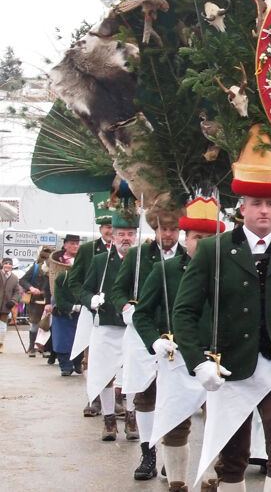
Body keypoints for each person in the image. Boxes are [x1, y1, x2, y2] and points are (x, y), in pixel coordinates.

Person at [173, 127, 271, 492]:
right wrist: (197, 360)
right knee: (232, 455)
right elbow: (184, 311)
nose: (264, 211)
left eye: (270, 204)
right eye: (256, 204)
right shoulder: (212, 250)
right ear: (242, 208)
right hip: (230, 363)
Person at [134, 196, 224, 492]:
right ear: (186, 239)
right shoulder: (168, 270)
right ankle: (177, 484)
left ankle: (210, 481)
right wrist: (154, 341)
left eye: (211, 238)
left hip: (218, 360)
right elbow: (143, 313)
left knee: (218, 423)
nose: (203, 243)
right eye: (198, 237)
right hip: (177, 358)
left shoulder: (230, 272)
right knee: (175, 425)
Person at [110, 205, 182, 480]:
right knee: (144, 394)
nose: (168, 234)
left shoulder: (187, 257)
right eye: (164, 228)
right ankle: (148, 453)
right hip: (142, 332)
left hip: (174, 334)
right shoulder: (139, 256)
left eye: (173, 229)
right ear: (155, 229)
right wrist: (125, 307)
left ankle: (171, 453)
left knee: (175, 395)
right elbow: (118, 289)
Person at [83, 205, 139, 441]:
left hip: (133, 327)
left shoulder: (141, 260)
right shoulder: (99, 261)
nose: (125, 239)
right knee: (104, 374)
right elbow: (84, 289)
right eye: (121, 234)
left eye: (130, 234)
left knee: (135, 373)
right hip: (106, 324)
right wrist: (91, 300)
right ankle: (108, 421)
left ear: (135, 236)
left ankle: (131, 417)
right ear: (113, 236)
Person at [68, 193, 118, 417]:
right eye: (105, 226)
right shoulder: (89, 250)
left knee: (121, 360)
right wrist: (88, 301)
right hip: (94, 312)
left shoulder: (130, 250)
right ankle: (94, 398)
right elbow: (74, 280)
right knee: (93, 357)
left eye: (112, 226)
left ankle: (118, 400)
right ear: (100, 228)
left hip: (119, 313)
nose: (109, 230)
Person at [48, 244, 83, 376]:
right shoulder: (62, 278)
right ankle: (65, 366)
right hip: (63, 314)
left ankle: (78, 362)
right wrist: (72, 307)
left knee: (79, 340)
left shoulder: (84, 279)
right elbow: (59, 298)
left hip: (80, 315)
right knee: (63, 341)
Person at [18, 246, 52, 356]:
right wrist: (31, 288)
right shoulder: (36, 268)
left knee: (47, 325)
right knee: (35, 324)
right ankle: (32, 347)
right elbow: (23, 280)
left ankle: (44, 348)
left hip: (49, 300)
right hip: (36, 301)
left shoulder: (55, 270)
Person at [1, 257, 22, 353]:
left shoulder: (14, 278)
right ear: (3, 265)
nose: (8, 266)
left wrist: (13, 301)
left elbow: (17, 291)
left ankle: (0, 343)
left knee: (2, 326)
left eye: (10, 264)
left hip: (6, 306)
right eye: (6, 264)